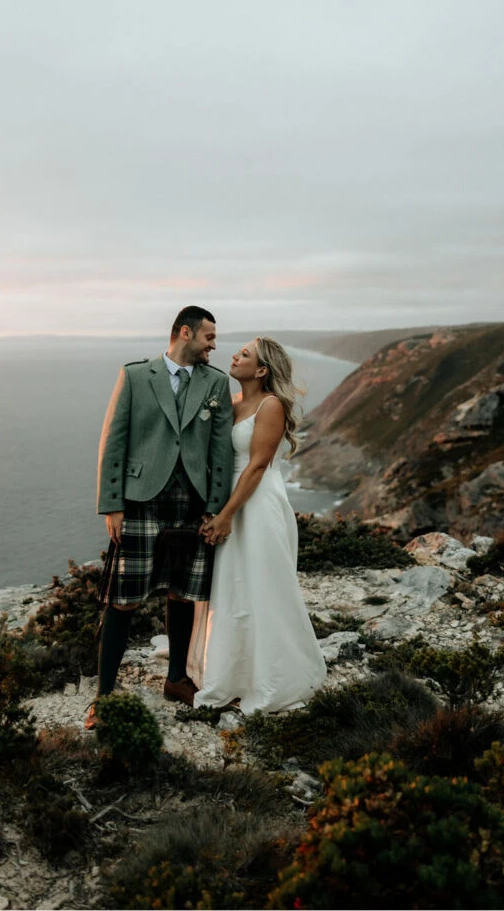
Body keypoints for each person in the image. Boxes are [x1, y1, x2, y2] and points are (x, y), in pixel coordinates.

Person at [86, 305, 234, 729]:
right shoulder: (135, 376)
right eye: (208, 336)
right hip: (139, 502)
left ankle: (176, 678)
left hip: (191, 503)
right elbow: (112, 442)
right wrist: (111, 504)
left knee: (183, 593)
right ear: (184, 333)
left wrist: (214, 508)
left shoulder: (217, 383)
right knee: (122, 599)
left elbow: (220, 452)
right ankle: (104, 696)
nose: (214, 344)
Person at [189, 337, 327, 714]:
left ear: (262, 370)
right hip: (228, 502)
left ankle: (276, 677)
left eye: (244, 354)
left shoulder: (272, 406)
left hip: (258, 504)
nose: (234, 356)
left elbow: (257, 466)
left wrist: (226, 515)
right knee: (232, 588)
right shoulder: (230, 403)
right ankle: (232, 673)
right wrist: (212, 508)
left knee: (265, 587)